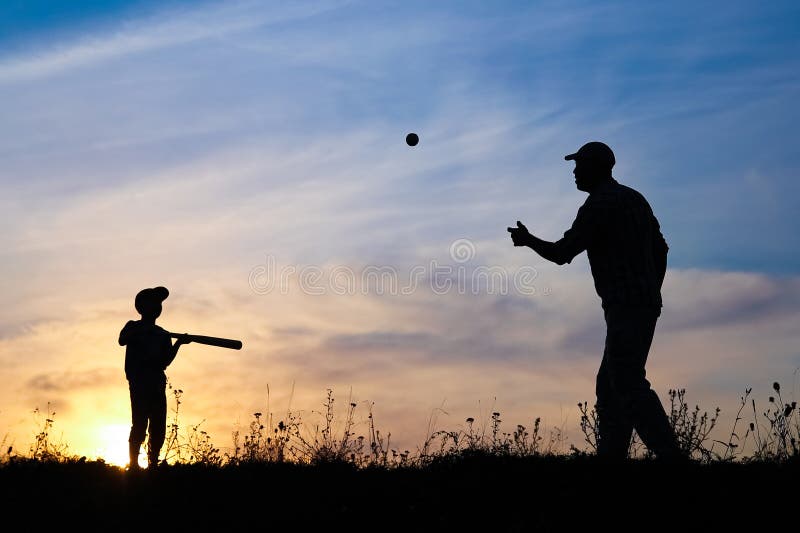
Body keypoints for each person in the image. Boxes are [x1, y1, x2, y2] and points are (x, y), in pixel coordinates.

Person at [507, 141, 684, 461]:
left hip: (625, 307)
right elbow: (662, 250)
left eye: (579, 165)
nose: (574, 172)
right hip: (644, 305)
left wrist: (528, 240)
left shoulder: (599, 206)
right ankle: (611, 457)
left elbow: (563, 253)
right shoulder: (635, 199)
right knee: (611, 385)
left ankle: (671, 456)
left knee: (627, 383)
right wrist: (651, 289)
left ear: (596, 168)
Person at [118, 286, 190, 470]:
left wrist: (178, 344)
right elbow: (122, 339)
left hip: (157, 383)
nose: (156, 307)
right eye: (152, 303)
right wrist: (142, 331)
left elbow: (165, 361)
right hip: (139, 382)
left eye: (158, 304)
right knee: (139, 423)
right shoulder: (132, 326)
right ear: (142, 306)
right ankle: (133, 463)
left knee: (158, 425)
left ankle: (153, 462)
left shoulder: (163, 334)